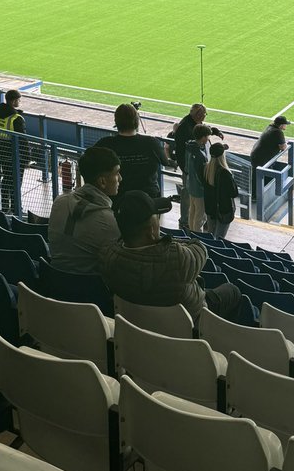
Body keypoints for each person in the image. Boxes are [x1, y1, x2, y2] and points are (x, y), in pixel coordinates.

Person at [100, 191, 241, 322]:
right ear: (151, 231)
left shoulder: (110, 258)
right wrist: (165, 240)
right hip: (191, 320)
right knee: (232, 290)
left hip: (139, 323)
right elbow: (200, 248)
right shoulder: (177, 257)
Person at [48, 146, 121, 275]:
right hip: (89, 291)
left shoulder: (59, 202)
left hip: (53, 283)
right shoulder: (109, 221)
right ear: (102, 181)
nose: (120, 178)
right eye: (116, 173)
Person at [91, 103, 173, 199]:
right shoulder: (152, 143)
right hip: (148, 199)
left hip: (116, 199)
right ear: (137, 121)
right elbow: (165, 162)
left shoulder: (105, 144)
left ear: (116, 121)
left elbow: (87, 162)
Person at [0, 89, 27, 215]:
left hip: (0, 153)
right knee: (16, 182)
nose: (19, 102)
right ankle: (17, 208)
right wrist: (26, 158)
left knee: (6, 179)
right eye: (18, 100)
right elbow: (23, 141)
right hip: (15, 155)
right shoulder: (16, 118)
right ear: (13, 101)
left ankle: (5, 207)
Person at [171, 103, 207, 228]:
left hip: (188, 168)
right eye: (204, 114)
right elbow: (181, 150)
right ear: (198, 115)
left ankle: (187, 223)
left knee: (189, 199)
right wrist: (185, 169)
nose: (205, 117)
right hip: (188, 170)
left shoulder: (191, 123)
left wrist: (213, 131)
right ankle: (185, 223)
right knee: (188, 198)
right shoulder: (186, 127)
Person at [203, 143, 238, 240]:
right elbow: (234, 193)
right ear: (222, 156)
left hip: (210, 209)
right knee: (219, 238)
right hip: (223, 211)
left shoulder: (206, 168)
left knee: (211, 235)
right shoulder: (225, 173)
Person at [185, 123, 211, 233]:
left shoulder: (189, 147)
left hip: (190, 185)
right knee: (200, 217)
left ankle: (191, 234)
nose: (208, 139)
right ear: (203, 137)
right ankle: (197, 238)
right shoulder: (201, 155)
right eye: (207, 136)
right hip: (199, 190)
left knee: (192, 212)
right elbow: (201, 175)